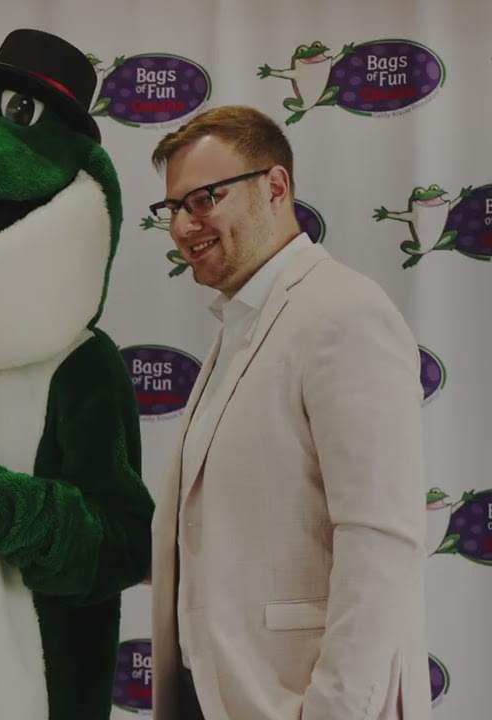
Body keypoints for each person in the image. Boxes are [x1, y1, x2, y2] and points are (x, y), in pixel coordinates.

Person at [146, 105, 430, 720]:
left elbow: (381, 540)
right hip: (216, 697)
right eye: (171, 208)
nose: (183, 226)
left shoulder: (343, 313)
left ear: (276, 187)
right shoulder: (239, 325)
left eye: (204, 199)